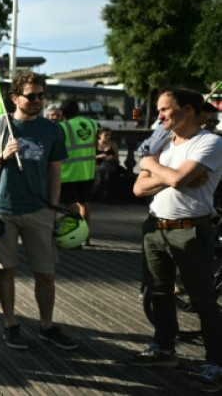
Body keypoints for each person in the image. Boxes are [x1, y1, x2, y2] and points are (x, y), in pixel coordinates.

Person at [0, 71, 77, 351]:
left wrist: (53, 208)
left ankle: (47, 325)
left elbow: (55, 172)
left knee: (46, 272)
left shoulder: (52, 130)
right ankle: (10, 324)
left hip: (40, 210)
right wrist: (1, 155)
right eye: (31, 96)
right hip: (1, 210)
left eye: (42, 96)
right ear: (15, 97)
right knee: (6, 270)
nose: (38, 101)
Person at [129, 87, 222, 392]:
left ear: (190, 111)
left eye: (166, 109)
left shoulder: (210, 143)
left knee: (203, 299)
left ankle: (215, 364)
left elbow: (177, 180)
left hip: (191, 230)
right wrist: (168, 174)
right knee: (158, 291)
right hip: (156, 227)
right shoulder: (164, 142)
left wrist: (151, 165)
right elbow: (138, 189)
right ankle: (163, 348)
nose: (160, 116)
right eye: (159, 109)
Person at [58, 100, 98, 246]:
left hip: (68, 173)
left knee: (70, 204)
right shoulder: (92, 123)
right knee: (84, 203)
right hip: (87, 171)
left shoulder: (62, 127)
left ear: (62, 113)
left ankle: (76, 234)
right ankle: (86, 234)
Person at [93, 128, 120, 199]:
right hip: (96, 164)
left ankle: (97, 190)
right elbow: (89, 157)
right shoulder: (95, 144)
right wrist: (98, 156)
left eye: (109, 135)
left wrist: (111, 157)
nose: (108, 137)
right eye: (106, 135)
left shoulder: (113, 144)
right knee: (100, 169)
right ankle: (102, 192)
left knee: (103, 169)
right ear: (100, 135)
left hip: (109, 165)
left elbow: (117, 158)